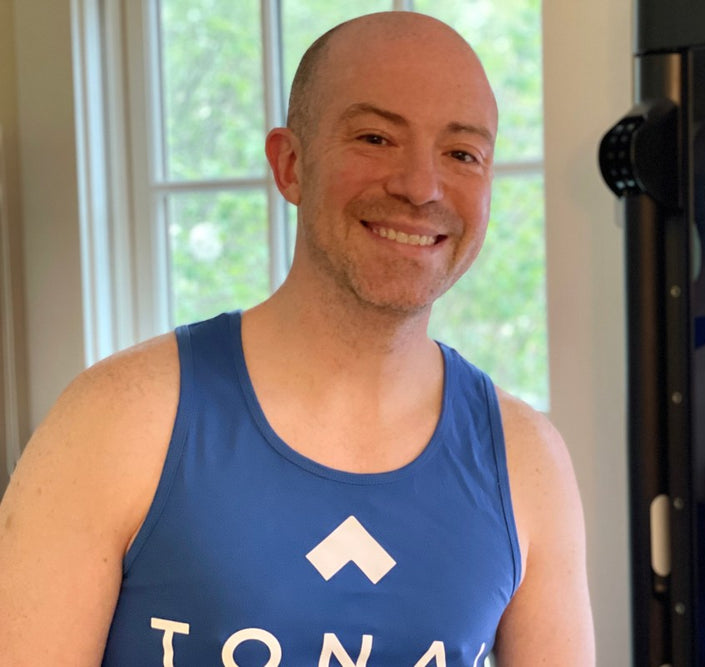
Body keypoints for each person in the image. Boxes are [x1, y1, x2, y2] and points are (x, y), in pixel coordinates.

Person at [0, 12, 595, 665]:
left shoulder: (527, 461)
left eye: (461, 154)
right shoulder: (116, 418)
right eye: (375, 137)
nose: (421, 187)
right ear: (289, 164)